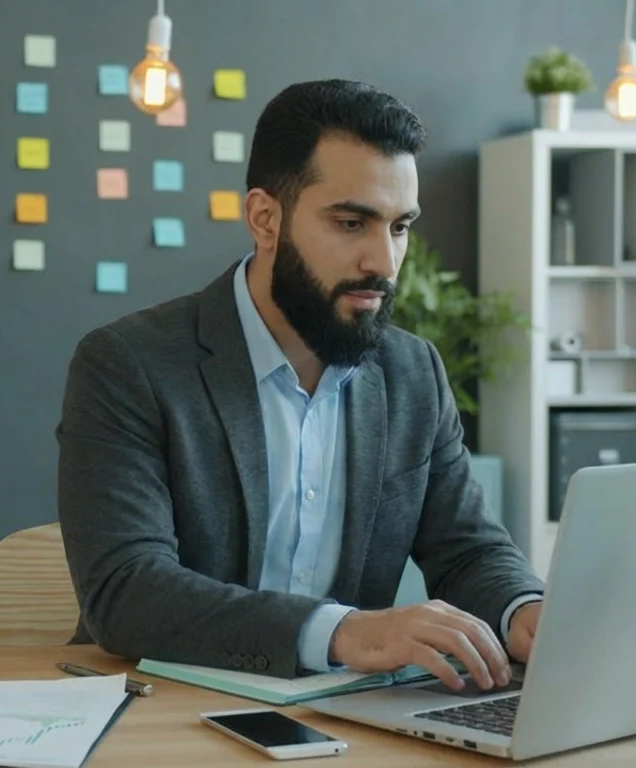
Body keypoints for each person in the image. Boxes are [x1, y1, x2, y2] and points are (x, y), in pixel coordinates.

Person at [56, 81, 545, 690]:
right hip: (165, 710)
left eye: (399, 228)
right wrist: (344, 633)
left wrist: (524, 611)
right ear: (265, 218)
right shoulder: (129, 364)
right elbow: (126, 590)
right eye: (350, 222)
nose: (384, 262)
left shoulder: (412, 372)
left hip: (345, 720)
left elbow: (469, 550)